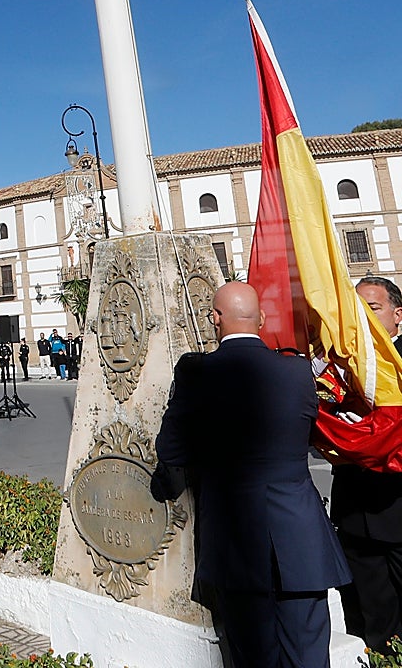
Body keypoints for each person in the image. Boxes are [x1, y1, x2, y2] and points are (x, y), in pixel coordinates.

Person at [151, 281, 350, 668]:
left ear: (215, 319)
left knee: (253, 656)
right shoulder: (297, 371)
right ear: (260, 319)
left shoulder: (197, 373)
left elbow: (171, 451)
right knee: (310, 654)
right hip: (301, 537)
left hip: (237, 541)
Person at [330, 276, 402, 652]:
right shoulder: (339, 367)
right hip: (356, 515)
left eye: (372, 309)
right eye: (356, 310)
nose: (363, 318)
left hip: (398, 509)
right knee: (370, 622)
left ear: (397, 314)